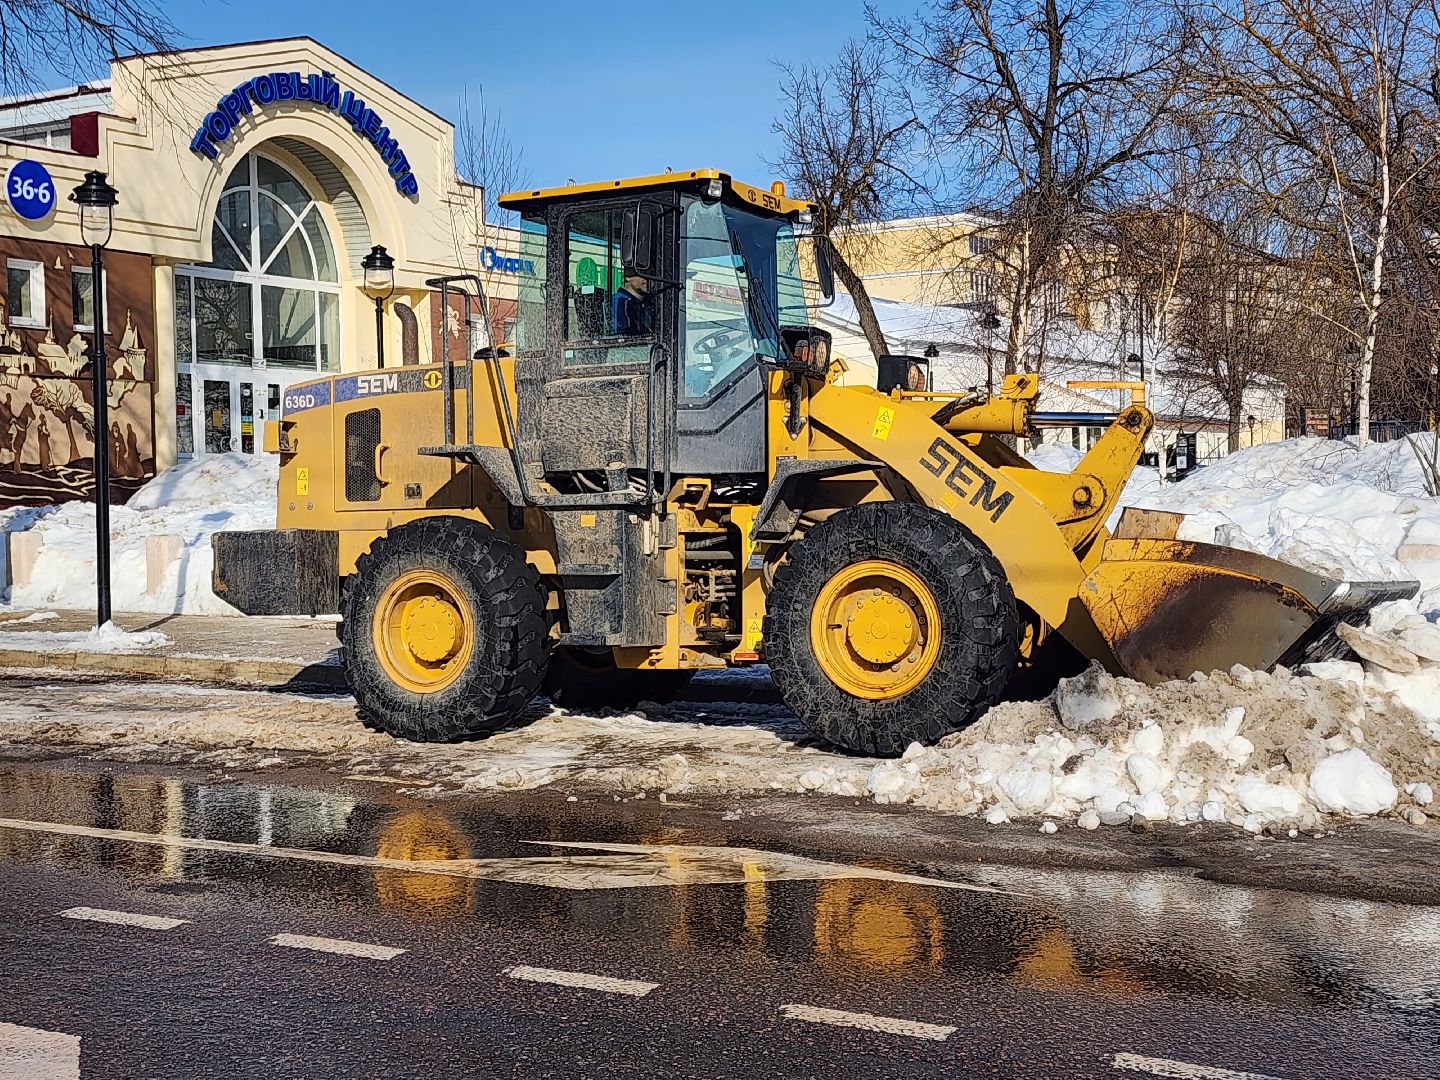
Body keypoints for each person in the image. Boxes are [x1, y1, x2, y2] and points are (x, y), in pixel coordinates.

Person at [612, 270, 651, 335]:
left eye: (650, 276)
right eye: (642, 275)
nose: (647, 280)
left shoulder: (646, 303)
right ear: (628, 277)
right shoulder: (620, 301)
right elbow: (622, 333)